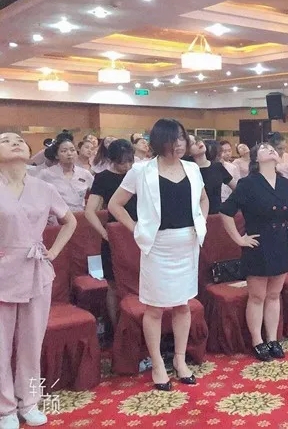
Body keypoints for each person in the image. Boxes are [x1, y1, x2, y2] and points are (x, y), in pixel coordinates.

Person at [108, 118, 209, 391]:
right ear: (160, 141)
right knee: (154, 308)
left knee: (183, 305)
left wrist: (201, 222)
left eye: (182, 138)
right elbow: (115, 204)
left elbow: (203, 198)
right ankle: (157, 364)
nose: (180, 144)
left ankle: (179, 359)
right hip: (158, 247)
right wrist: (137, 229)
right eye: (174, 139)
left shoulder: (192, 168)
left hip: (187, 244)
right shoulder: (141, 170)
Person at [0, 132, 77, 428]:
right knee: (1, 345)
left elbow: (69, 220)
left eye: (19, 140)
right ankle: (5, 408)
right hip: (3, 270)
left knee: (32, 342)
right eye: (5, 140)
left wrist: (53, 252)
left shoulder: (44, 187)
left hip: (36, 269)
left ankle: (29, 400)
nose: (15, 142)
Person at [221, 141, 288, 361]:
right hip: (258, 244)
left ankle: (272, 338)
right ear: (256, 159)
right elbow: (226, 212)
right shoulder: (248, 183)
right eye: (264, 148)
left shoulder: (285, 183)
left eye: (272, 148)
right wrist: (239, 239)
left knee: (274, 294)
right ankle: (257, 340)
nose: (271, 150)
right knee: (257, 296)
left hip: (281, 242)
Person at [85, 139, 137, 329]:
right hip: (115, 235)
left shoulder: (137, 174)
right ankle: (116, 328)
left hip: (138, 232)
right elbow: (90, 211)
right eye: (122, 162)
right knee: (113, 283)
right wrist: (104, 233)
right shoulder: (103, 178)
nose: (127, 166)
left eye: (130, 161)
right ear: (112, 160)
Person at [37, 132, 94, 215]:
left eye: (72, 150)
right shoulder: (46, 173)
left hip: (80, 215)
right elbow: (35, 195)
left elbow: (97, 193)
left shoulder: (85, 173)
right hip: (57, 217)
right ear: (56, 155)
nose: (69, 154)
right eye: (64, 151)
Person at [188, 135, 234, 215]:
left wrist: (228, 206)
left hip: (216, 216)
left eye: (197, 139)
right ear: (187, 152)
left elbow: (237, 188)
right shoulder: (188, 169)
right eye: (192, 143)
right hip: (195, 216)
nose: (198, 142)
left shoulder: (217, 166)